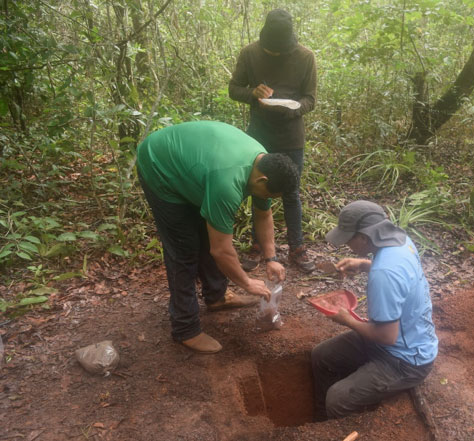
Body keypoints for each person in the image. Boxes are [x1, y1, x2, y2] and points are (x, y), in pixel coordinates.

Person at [136, 121, 300, 354]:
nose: (268, 198)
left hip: (198, 168)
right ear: (262, 181)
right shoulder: (227, 183)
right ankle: (185, 328)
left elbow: (263, 214)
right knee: (184, 249)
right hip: (160, 166)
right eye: (270, 194)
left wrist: (271, 257)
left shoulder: (265, 166)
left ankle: (217, 297)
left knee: (207, 232)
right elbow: (221, 250)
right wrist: (246, 282)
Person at [311, 201, 438, 419]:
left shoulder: (384, 273)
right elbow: (399, 275)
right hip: (401, 341)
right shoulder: (401, 241)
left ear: (364, 237)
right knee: (321, 356)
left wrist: (346, 319)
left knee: (337, 398)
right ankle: (323, 419)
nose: (346, 244)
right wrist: (364, 264)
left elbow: (386, 336)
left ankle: (343, 422)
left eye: (349, 238)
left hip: (406, 361)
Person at [229, 8, 317, 273]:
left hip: (291, 135)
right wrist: (252, 93)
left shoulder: (305, 57)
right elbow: (234, 89)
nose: (276, 54)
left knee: (290, 192)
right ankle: (259, 245)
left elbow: (310, 99)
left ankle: (297, 248)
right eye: (271, 51)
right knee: (260, 191)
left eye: (281, 51)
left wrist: (294, 108)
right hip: (258, 136)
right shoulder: (250, 53)